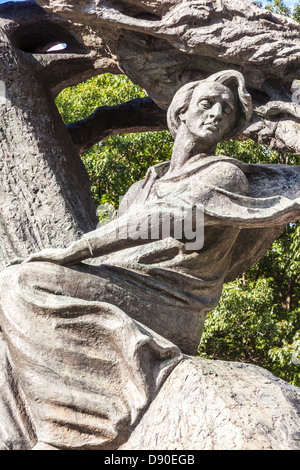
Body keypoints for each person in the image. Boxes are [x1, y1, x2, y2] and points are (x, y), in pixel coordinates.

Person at [0, 70, 299, 450]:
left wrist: (78, 250)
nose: (217, 115)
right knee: (6, 319)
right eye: (208, 104)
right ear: (182, 112)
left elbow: (166, 219)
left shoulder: (223, 175)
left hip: (171, 301)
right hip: (128, 284)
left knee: (22, 282)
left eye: (227, 112)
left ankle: (75, 431)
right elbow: (132, 239)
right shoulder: (142, 186)